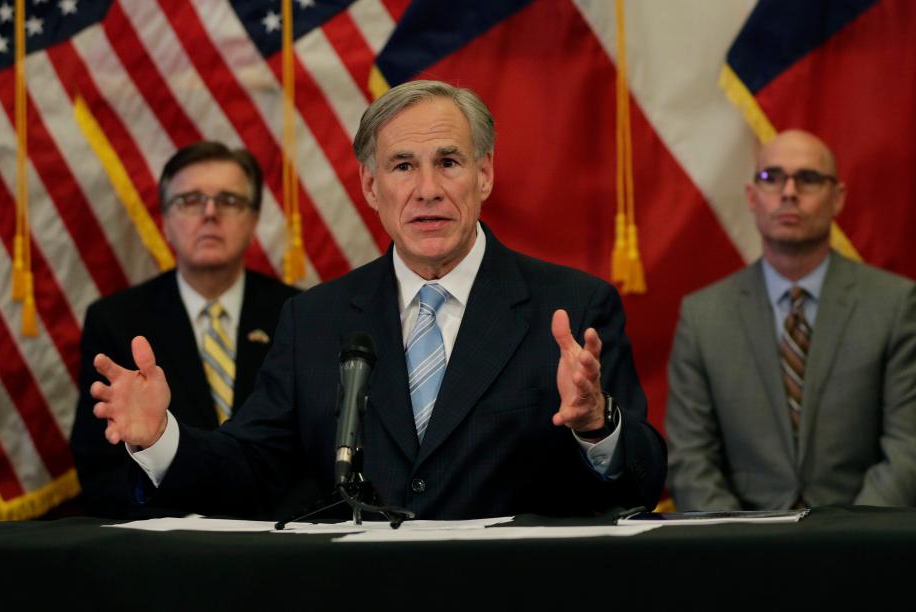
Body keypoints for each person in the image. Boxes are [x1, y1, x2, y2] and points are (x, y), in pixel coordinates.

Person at [88, 80, 666, 520]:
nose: (427, 191)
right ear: (370, 186)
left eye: (449, 162)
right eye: (402, 166)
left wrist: (598, 425)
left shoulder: (572, 308)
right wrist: (162, 438)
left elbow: (642, 479)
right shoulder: (314, 320)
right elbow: (250, 469)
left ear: (484, 174)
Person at [666, 129, 916, 511]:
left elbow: (910, 449)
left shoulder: (895, 305)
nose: (788, 192)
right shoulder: (703, 315)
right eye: (770, 178)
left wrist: (849, 542)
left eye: (808, 178)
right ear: (751, 197)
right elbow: (690, 460)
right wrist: (740, 545)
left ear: (837, 198)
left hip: (863, 547)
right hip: (741, 554)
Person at [70, 141, 300, 518]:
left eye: (228, 200)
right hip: (163, 552)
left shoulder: (301, 314)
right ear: (165, 220)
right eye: (190, 200)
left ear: (254, 218)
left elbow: (313, 455)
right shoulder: (116, 320)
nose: (210, 213)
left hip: (280, 542)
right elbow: (100, 467)